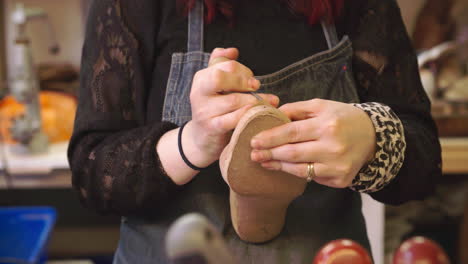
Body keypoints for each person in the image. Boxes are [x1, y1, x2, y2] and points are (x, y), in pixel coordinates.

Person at [68, 0, 442, 263]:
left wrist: (374, 140)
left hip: (325, 255)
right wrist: (193, 142)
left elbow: (425, 164)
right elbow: (92, 172)